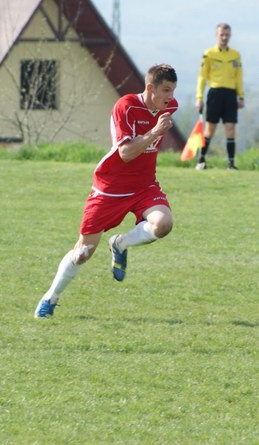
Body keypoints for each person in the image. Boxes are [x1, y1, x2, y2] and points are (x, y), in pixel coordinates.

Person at [34, 64, 178, 319]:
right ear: (150, 88)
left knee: (163, 224)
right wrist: (155, 131)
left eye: (173, 90)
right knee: (83, 252)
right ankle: (50, 297)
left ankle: (120, 243)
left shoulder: (169, 107)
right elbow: (126, 153)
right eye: (166, 90)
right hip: (111, 187)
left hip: (144, 185)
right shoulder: (126, 106)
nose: (171, 97)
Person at [195, 23, 244, 171]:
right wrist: (199, 98)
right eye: (222, 34)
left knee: (230, 129)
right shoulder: (208, 54)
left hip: (230, 94)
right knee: (209, 129)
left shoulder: (235, 55)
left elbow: (238, 77)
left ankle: (231, 164)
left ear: (230, 36)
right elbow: (202, 77)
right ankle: (201, 160)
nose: (224, 37)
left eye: (227, 35)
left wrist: (241, 96)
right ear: (216, 35)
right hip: (215, 93)